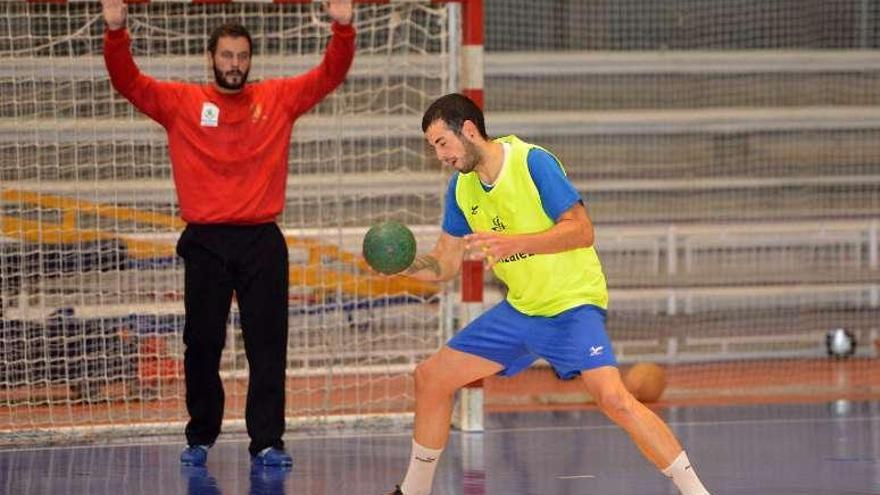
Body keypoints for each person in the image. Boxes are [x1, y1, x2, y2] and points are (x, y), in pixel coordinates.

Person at [385, 93, 711, 495]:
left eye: (441, 143)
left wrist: (517, 244)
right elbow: (445, 264)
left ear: (468, 131)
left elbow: (582, 230)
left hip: (573, 303)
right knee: (431, 378)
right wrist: (405, 265)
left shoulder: (532, 162)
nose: (439, 155)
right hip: (523, 310)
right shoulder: (461, 190)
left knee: (615, 400)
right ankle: (413, 492)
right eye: (433, 147)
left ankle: (697, 491)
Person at [100, 0, 355, 467]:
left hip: (262, 241)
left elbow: (329, 75)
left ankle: (268, 441)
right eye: (226, 56)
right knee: (201, 344)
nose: (234, 64)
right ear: (211, 58)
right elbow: (128, 82)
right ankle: (200, 437)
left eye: (242, 56)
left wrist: (342, 26)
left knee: (267, 346)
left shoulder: (277, 98)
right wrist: (116, 30)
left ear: (250, 60)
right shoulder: (182, 103)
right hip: (206, 243)